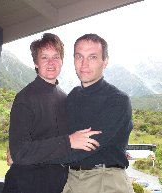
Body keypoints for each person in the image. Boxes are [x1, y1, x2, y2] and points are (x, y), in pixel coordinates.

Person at [2, 33, 100, 193]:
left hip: (57, 185)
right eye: (44, 57)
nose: (50, 63)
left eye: (55, 57)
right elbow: (19, 151)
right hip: (25, 185)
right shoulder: (25, 98)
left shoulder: (64, 98)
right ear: (35, 62)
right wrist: (67, 142)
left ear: (62, 61)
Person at [50, 33, 135, 193]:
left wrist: (30, 155)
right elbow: (56, 134)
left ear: (105, 61)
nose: (84, 64)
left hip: (105, 181)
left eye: (93, 57)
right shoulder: (73, 96)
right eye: (79, 56)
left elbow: (83, 148)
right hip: (72, 179)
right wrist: (24, 145)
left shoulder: (117, 101)